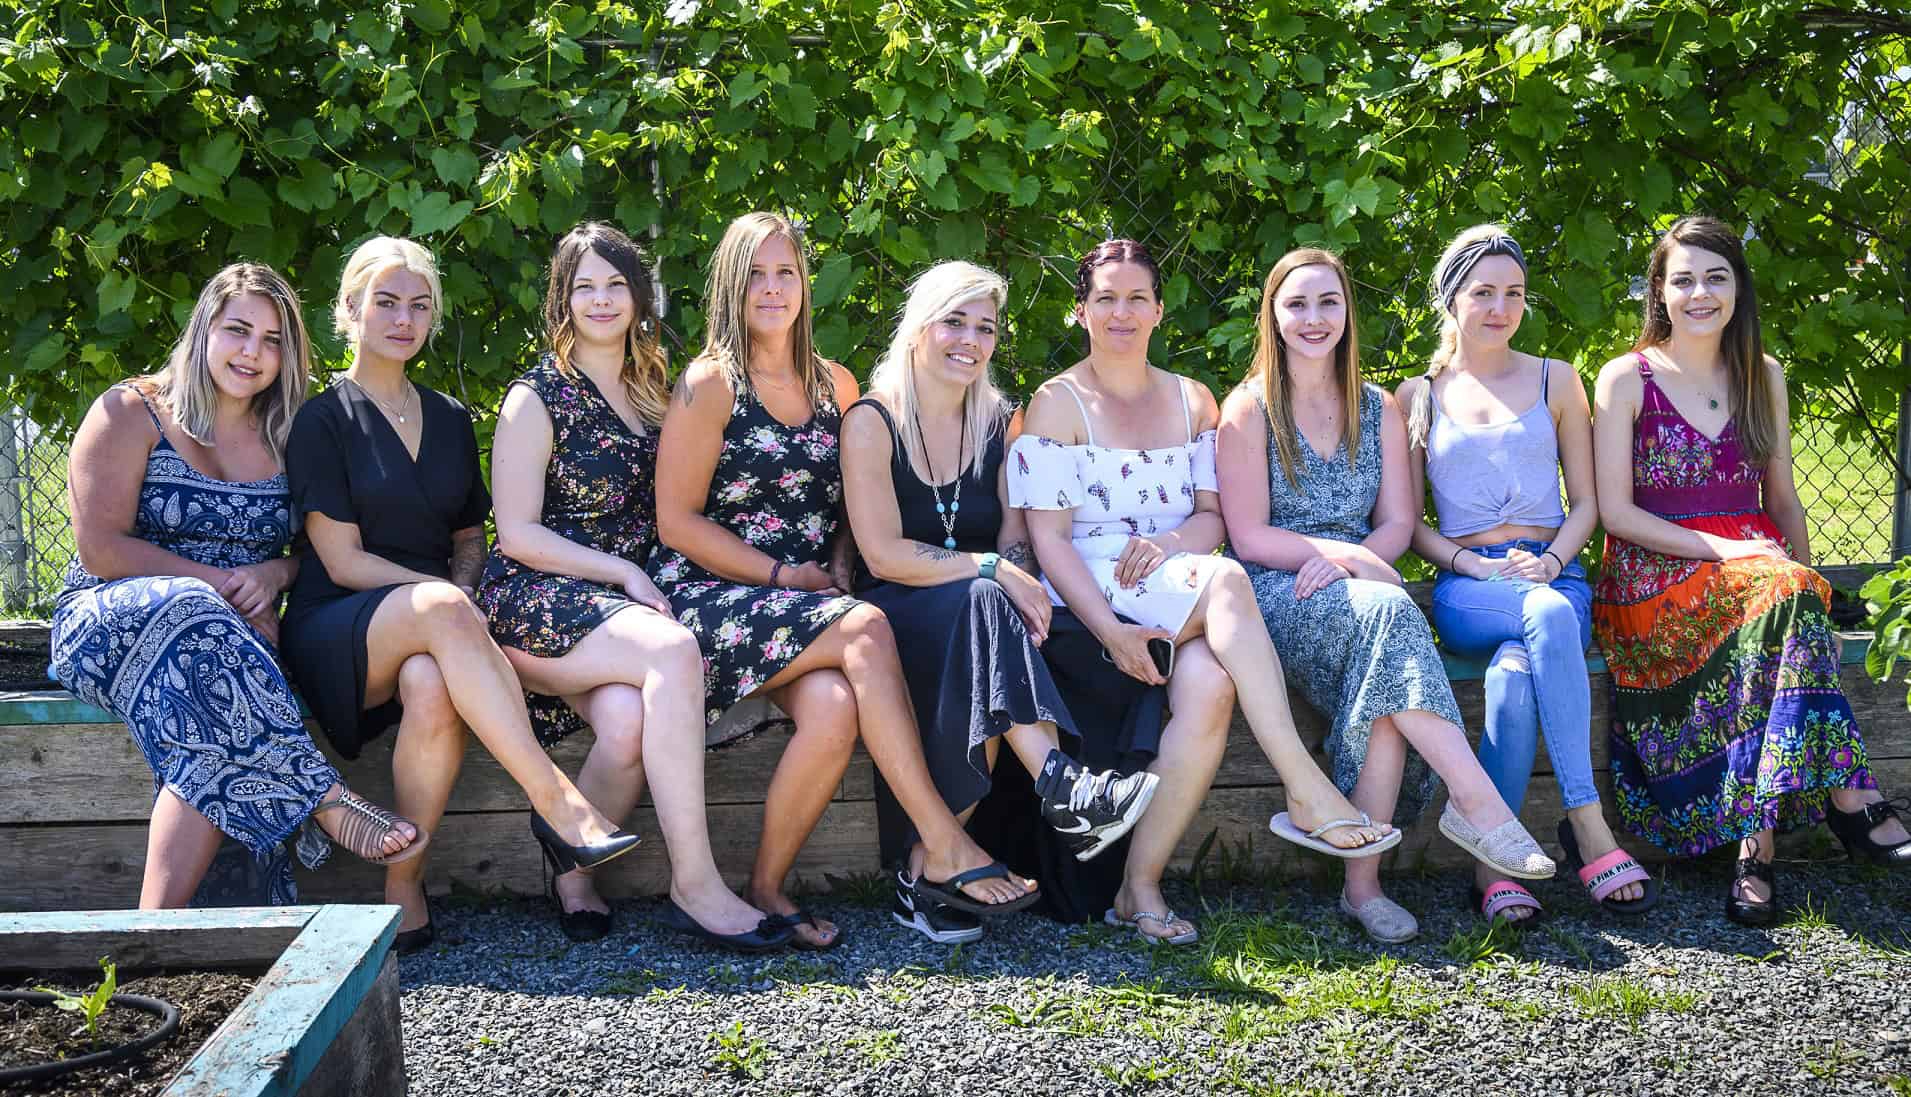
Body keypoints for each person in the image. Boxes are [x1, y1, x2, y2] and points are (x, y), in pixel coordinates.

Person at [652, 212, 1041, 949]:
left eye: (786, 273)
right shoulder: (709, 383)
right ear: (730, 287)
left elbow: (844, 497)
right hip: (712, 592)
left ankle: (766, 885)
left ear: (805, 284)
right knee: (867, 624)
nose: (773, 289)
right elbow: (676, 522)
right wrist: (779, 572)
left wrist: (833, 555)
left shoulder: (834, 383)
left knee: (833, 706)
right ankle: (941, 842)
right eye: (756, 275)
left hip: (806, 602)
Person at [1012, 239, 1404, 947]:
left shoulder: (1191, 398)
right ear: (1080, 311)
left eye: (1137, 298)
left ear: (1159, 310)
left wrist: (1168, 545)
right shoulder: (1056, 403)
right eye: (1105, 298)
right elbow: (1050, 541)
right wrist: (1109, 630)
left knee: (1212, 684)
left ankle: (1139, 886)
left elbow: (1211, 517)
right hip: (1091, 588)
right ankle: (1304, 786)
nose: (1121, 312)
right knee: (1227, 577)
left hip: (1172, 575)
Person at [282, 236, 639, 953]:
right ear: (350, 310)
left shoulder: (447, 416)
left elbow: (470, 535)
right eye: (385, 302)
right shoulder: (322, 420)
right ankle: (559, 803)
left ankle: (402, 887)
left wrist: (463, 587)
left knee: (432, 682)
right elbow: (342, 561)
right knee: (437, 620)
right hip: (338, 627)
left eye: (418, 306)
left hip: (433, 629)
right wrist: (447, 598)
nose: (402, 319)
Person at [50, 262, 425, 909]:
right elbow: (101, 548)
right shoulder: (131, 412)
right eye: (237, 330)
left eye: (272, 339)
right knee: (197, 613)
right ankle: (322, 795)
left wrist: (271, 573)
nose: (252, 352)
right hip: (108, 623)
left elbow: (319, 553)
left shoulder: (291, 435)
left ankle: (151, 936)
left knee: (204, 738)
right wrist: (220, 586)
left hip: (226, 645)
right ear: (203, 330)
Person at [1216, 247, 1557, 944]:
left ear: (1348, 312)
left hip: (1365, 583)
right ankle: (1476, 802)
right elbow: (1247, 537)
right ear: (1273, 316)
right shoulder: (1247, 410)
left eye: (1328, 302)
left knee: (1384, 663)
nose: (1313, 319)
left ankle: (1363, 889)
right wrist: (1335, 554)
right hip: (1278, 594)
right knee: (1393, 616)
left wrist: (1356, 561)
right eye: (1297, 304)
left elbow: (1399, 522)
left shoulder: (1378, 407)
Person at [1591, 215, 1910, 926]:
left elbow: (1783, 498)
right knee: (1782, 595)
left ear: (1738, 288)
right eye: (1682, 280)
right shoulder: (1625, 377)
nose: (1699, 293)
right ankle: (1849, 799)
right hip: (1653, 569)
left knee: (1788, 604)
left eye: (1715, 277)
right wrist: (1728, 551)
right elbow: (1614, 512)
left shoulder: (1761, 373)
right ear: (1658, 291)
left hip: (1761, 575)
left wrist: (1801, 585)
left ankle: (1753, 848)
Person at [476, 223, 785, 949]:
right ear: (562, 299)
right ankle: (696, 880)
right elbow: (516, 533)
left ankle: (570, 869)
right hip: (536, 597)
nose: (601, 298)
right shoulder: (536, 396)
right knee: (674, 652)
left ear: (638, 296)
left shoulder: (654, 388)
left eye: (615, 283)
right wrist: (621, 569)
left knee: (625, 722)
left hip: (618, 611)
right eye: (583, 285)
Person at [840, 260, 1160, 943]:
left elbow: (1018, 542)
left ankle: (934, 864)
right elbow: (880, 553)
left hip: (980, 616)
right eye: (954, 320)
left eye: (984, 327)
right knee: (986, 593)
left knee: (1075, 633)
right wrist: (989, 569)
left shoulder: (999, 423)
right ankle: (1059, 783)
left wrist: (1006, 573)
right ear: (919, 325)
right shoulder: (871, 421)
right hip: (898, 612)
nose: (970, 339)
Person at [1399, 225, 1655, 925]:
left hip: (1554, 570)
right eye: (1481, 292)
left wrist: (1549, 560)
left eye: (1512, 293)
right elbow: (1404, 520)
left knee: (1517, 667)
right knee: (1537, 618)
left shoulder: (1555, 378)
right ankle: (1587, 822)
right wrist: (1459, 561)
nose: (1499, 308)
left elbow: (1589, 502)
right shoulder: (1416, 393)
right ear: (1450, 299)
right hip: (1468, 585)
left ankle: (1491, 860)